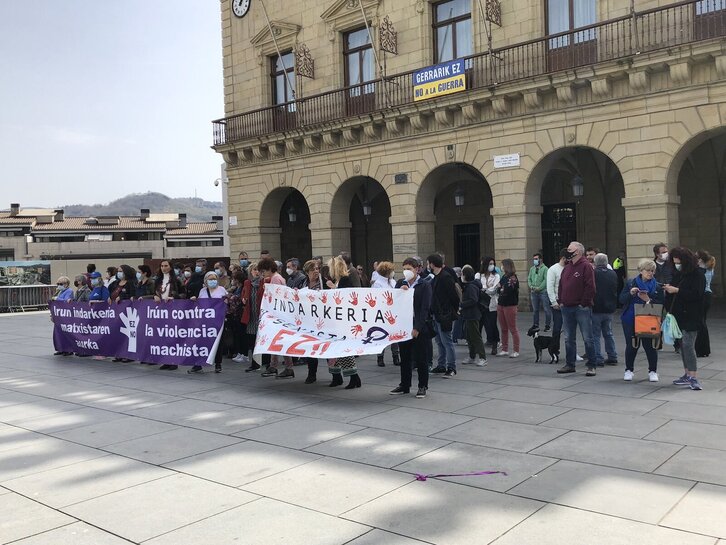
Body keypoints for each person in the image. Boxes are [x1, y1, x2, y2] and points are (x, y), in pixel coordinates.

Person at [390, 257, 433, 398]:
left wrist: (418, 328)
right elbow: (393, 301)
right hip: (404, 326)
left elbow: (425, 309)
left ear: (416, 269)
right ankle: (405, 384)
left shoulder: (424, 285)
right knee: (405, 357)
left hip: (419, 326)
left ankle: (422, 386)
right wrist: (401, 291)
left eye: (409, 269)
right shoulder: (400, 284)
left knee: (421, 358)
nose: (406, 272)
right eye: (404, 269)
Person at [665, 247, 706, 391]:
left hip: (692, 315)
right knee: (682, 345)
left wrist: (677, 290)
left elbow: (697, 294)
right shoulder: (679, 273)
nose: (676, 264)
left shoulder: (698, 274)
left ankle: (693, 377)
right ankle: (687, 373)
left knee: (688, 345)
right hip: (679, 315)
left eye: (678, 261)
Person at [557, 241, 597, 375]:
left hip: (581, 308)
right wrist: (561, 300)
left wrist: (584, 303)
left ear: (578, 252)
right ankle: (570, 364)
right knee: (568, 338)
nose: (567, 252)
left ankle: (591, 365)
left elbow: (590, 287)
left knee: (587, 337)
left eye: (570, 249)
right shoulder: (568, 267)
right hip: (566, 307)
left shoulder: (586, 266)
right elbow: (561, 285)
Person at [619, 259, 662, 381]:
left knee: (650, 346)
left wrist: (648, 300)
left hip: (649, 318)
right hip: (630, 317)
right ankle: (628, 370)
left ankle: (653, 371)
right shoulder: (631, 283)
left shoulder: (657, 285)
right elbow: (621, 299)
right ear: (641, 271)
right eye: (647, 270)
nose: (650, 273)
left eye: (652, 271)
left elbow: (661, 303)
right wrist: (631, 294)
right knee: (632, 344)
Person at [324, 256, 362, 388]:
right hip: (336, 320)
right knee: (334, 350)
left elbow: (346, 298)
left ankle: (353, 377)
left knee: (344, 351)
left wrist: (333, 288)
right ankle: (337, 376)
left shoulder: (345, 280)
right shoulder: (338, 280)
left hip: (343, 322)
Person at [258, 257, 296, 379]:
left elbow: (278, 297)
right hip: (278, 315)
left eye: (263, 270)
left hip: (278, 315)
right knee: (276, 341)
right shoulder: (275, 278)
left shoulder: (275, 279)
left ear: (269, 268)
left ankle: (286, 367)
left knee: (279, 341)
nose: (263, 273)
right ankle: (274, 365)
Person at [188, 271, 228, 374]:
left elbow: (227, 303)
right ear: (206, 281)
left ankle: (218, 364)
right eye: (210, 279)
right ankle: (197, 364)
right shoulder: (203, 291)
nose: (212, 281)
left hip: (218, 321)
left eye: (214, 279)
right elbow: (200, 304)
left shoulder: (222, 290)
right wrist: (194, 300)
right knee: (200, 342)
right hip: (204, 322)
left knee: (218, 343)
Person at [427, 253, 459, 378]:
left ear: (433, 264)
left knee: (447, 341)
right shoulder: (436, 277)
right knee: (440, 341)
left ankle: (451, 367)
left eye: (428, 263)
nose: (427, 265)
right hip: (437, 314)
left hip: (444, 314)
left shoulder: (445, 277)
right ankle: (441, 365)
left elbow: (454, 297)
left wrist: (452, 311)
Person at [371, 261, 400, 367]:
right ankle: (380, 357)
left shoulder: (392, 282)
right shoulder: (378, 283)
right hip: (382, 312)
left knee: (394, 336)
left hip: (393, 312)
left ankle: (395, 356)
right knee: (381, 335)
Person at [591, 253, 618, 367]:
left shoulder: (593, 273)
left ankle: (598, 358)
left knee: (595, 334)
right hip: (609, 307)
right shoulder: (613, 274)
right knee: (608, 333)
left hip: (596, 308)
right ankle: (612, 356)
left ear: (595, 262)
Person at [155, 260, 182, 371]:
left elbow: (183, 294)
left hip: (173, 310)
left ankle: (173, 361)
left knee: (172, 336)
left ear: (170, 267)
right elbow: (155, 292)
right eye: (161, 266)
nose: (163, 268)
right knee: (162, 336)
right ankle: (165, 360)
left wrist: (174, 296)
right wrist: (154, 296)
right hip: (161, 312)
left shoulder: (176, 280)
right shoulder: (158, 280)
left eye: (166, 266)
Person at [459, 265, 488, 366]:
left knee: (475, 336)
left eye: (462, 274)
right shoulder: (470, 285)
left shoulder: (471, 286)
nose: (461, 276)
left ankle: (482, 357)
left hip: (473, 314)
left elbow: (473, 300)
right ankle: (472, 356)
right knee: (469, 336)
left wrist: (461, 305)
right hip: (468, 314)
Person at [301, 259, 322, 383]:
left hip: (322, 320)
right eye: (313, 269)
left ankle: (336, 376)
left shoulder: (323, 282)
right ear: (307, 271)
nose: (316, 271)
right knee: (310, 348)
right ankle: (312, 373)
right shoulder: (303, 283)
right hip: (308, 321)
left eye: (317, 268)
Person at [241, 262, 264, 372]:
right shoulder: (247, 283)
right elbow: (243, 295)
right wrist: (243, 300)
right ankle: (254, 363)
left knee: (261, 339)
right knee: (252, 340)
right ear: (251, 271)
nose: (256, 272)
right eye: (254, 270)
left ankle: (264, 362)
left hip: (260, 314)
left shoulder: (264, 282)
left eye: (258, 270)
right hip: (251, 315)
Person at [496, 259, 520, 358]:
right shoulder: (504, 277)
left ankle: (516, 350)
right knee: (503, 328)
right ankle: (504, 349)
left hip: (510, 305)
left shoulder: (513, 278)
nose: (501, 267)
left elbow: (508, 291)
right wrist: (501, 289)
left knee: (512, 328)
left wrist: (501, 289)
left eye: (502, 265)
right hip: (501, 304)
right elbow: (499, 289)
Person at [547, 249, 568, 360]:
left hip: (568, 302)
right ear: (563, 258)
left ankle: (571, 351)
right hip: (558, 302)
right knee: (557, 328)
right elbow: (550, 287)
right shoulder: (553, 269)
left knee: (570, 328)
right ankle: (555, 349)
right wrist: (554, 302)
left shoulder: (569, 268)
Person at [477, 257, 501, 355]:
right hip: (481, 304)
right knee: (479, 325)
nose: (492, 265)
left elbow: (494, 289)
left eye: (493, 264)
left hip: (492, 304)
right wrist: (487, 289)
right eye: (490, 263)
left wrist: (484, 289)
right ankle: (477, 346)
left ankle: (494, 344)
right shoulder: (478, 275)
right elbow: (477, 287)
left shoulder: (496, 276)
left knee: (492, 325)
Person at [695, 250, 714, 358]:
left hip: (703, 296)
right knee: (703, 322)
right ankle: (704, 349)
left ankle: (702, 349)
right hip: (707, 296)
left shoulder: (702, 270)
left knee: (700, 322)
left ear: (700, 259)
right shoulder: (710, 268)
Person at [528, 252, 551, 332]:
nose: (535, 260)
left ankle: (547, 325)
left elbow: (546, 280)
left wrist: (539, 288)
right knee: (535, 310)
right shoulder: (532, 268)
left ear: (540, 259)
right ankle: (536, 325)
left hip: (543, 292)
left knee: (546, 309)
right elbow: (529, 278)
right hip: (534, 292)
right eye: (534, 259)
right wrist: (531, 286)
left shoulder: (545, 269)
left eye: (536, 259)